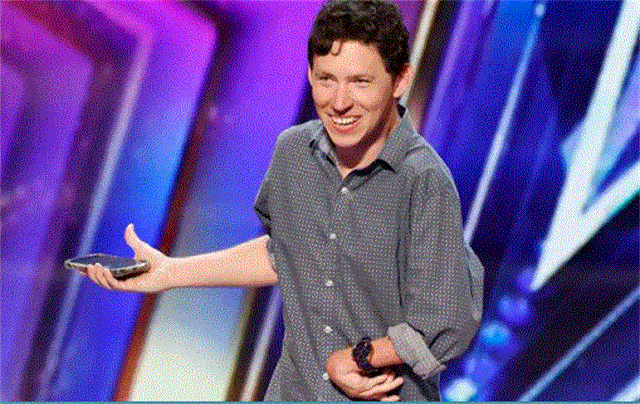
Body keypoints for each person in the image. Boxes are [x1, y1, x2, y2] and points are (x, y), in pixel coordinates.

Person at [84, 0, 483, 400]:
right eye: (326, 79)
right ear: (310, 74)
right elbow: (285, 253)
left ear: (399, 81)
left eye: (360, 82)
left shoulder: (423, 179)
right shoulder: (295, 152)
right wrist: (171, 272)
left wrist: (360, 357)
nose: (340, 102)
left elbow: (448, 318)